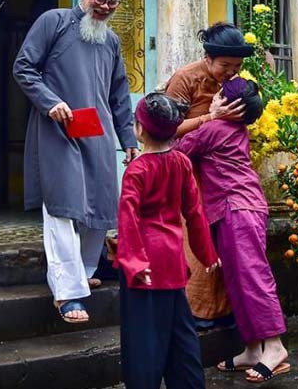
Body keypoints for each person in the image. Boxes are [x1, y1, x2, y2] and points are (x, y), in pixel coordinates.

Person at [13, 0, 139, 324]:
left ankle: (83, 270)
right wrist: (49, 101)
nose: (105, 7)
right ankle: (68, 293)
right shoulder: (53, 22)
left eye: (112, 3)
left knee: (101, 207)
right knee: (62, 206)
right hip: (57, 128)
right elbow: (24, 68)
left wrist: (127, 137)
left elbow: (119, 94)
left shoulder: (111, 41)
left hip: (95, 132)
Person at [175, 77, 290, 384]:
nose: (214, 98)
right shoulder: (237, 128)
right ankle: (253, 348)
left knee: (252, 276)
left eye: (220, 96)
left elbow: (179, 149)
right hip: (236, 209)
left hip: (237, 209)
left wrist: (209, 115)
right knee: (237, 281)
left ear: (229, 105)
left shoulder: (214, 128)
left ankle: (275, 347)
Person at [116, 92, 221, 389]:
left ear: (139, 130)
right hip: (173, 259)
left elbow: (128, 220)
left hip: (145, 263)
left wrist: (134, 263)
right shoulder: (181, 163)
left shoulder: (137, 169)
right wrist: (207, 254)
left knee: (143, 340)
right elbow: (195, 213)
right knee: (180, 334)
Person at [163, 22, 250, 328]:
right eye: (225, 65)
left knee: (221, 240)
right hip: (187, 168)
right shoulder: (185, 79)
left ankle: (221, 310)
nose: (231, 73)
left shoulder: (234, 82)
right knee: (194, 237)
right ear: (208, 57)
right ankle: (195, 311)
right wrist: (211, 117)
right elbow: (166, 129)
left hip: (221, 172)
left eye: (237, 67)